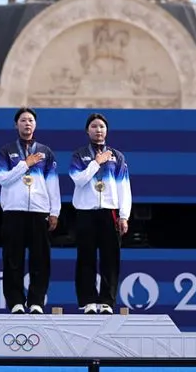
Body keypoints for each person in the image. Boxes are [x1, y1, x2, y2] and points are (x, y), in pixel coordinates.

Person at [0, 107, 61, 314]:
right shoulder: (6, 151)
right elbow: (3, 179)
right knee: (13, 259)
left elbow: (53, 183)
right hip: (14, 210)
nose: (27, 123)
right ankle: (15, 302)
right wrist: (25, 164)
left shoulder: (46, 152)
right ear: (16, 125)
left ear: (35, 125)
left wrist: (54, 211)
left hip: (39, 211)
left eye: (30, 120)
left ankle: (36, 302)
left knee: (40, 259)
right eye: (23, 120)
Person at [69, 112, 131, 315]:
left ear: (107, 131)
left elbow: (124, 188)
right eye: (94, 126)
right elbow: (78, 180)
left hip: (109, 212)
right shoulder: (79, 155)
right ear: (87, 131)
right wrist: (96, 162)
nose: (98, 130)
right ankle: (88, 301)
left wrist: (124, 215)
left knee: (110, 258)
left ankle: (106, 302)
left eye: (102, 127)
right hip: (86, 213)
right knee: (85, 258)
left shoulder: (117, 156)